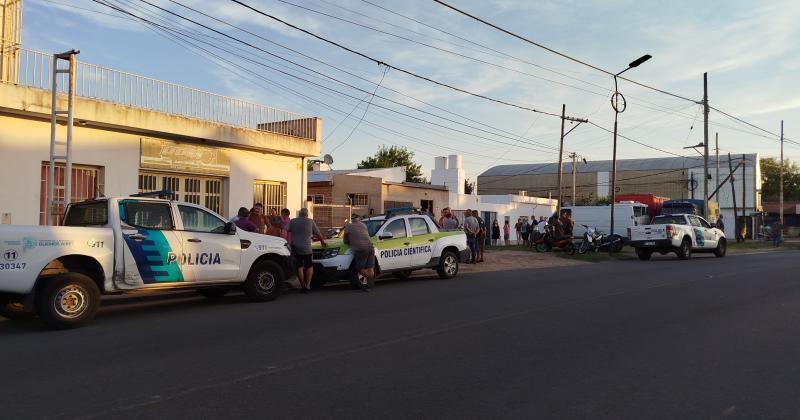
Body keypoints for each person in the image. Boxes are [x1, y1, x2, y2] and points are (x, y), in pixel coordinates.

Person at [286, 208, 326, 293]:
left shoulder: (293, 221)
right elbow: (318, 234)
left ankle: (302, 285)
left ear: (299, 214)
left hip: (296, 247)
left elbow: (284, 230)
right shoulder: (310, 221)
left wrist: (285, 241)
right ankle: (308, 286)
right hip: (306, 248)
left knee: (299, 267)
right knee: (309, 266)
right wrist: (322, 242)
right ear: (307, 214)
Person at [343, 214, 375, 291]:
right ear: (359, 219)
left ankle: (367, 283)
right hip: (371, 247)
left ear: (351, 219)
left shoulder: (348, 226)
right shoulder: (364, 225)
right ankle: (369, 284)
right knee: (370, 267)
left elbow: (345, 241)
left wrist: (350, 240)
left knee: (360, 268)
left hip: (361, 249)